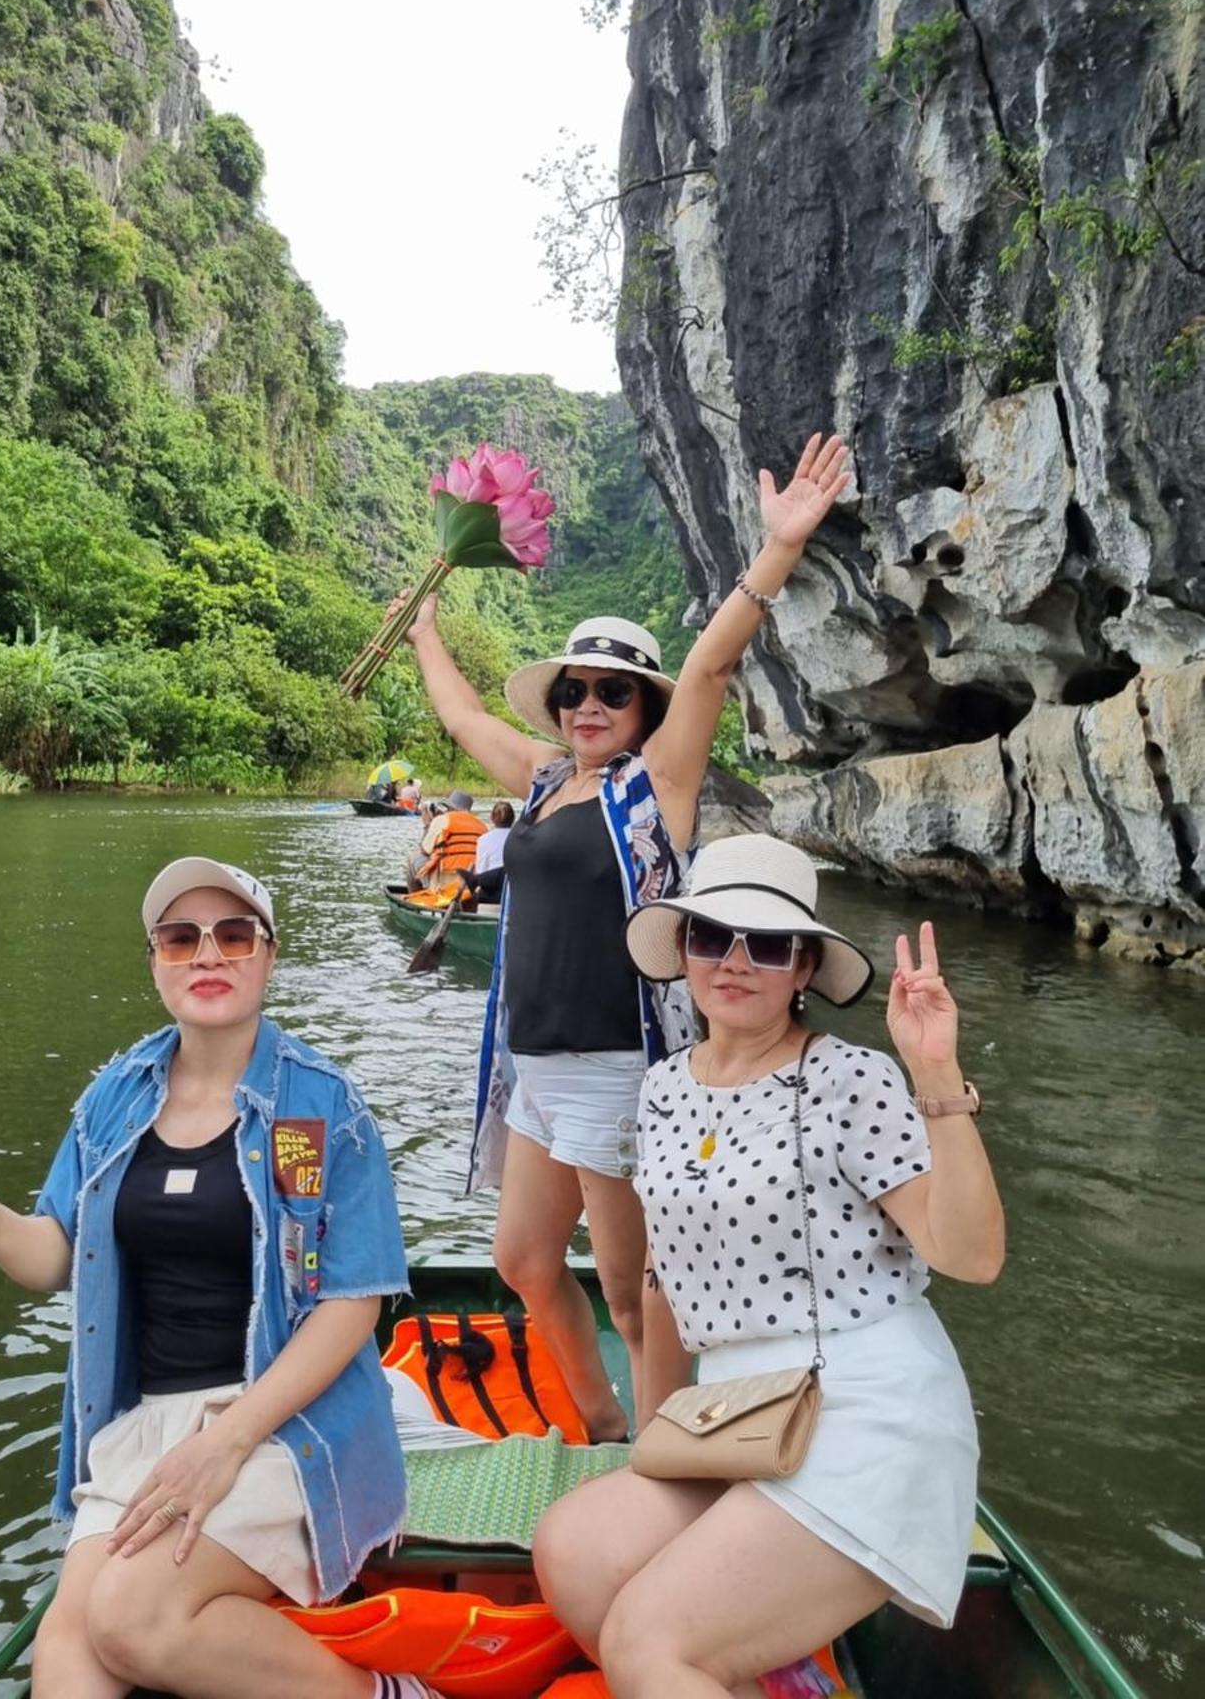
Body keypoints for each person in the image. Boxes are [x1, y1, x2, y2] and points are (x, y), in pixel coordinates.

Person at [396, 432, 851, 1441]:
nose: (589, 703)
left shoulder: (662, 785)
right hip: (531, 1065)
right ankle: (601, 1427)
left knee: (636, 1287)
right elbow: (462, 715)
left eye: (612, 690)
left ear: (643, 706)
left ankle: (661, 1461)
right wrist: (423, 628)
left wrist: (777, 550)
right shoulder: (549, 779)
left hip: (618, 1063)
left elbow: (712, 661)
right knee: (521, 1261)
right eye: (573, 690)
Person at [0, 858, 428, 1699]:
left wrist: (225, 1444)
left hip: (285, 1422)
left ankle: (384, 1695)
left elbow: (350, 1304)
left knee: (132, 1620)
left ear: (268, 955)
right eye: (181, 939)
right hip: (144, 1425)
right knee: (67, 1649)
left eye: (233, 935)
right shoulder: (115, 1097)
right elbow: (54, 1257)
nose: (207, 956)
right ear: (155, 961)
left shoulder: (315, 1111)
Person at [532, 834, 1004, 1698]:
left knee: (649, 1642)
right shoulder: (666, 1087)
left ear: (803, 968)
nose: (736, 961)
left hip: (866, 1407)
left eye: (769, 943)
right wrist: (655, 1433)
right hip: (735, 1412)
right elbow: (662, 1279)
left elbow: (970, 1255)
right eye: (712, 937)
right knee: (574, 1552)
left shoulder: (851, 1079)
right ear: (683, 953)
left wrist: (935, 1073)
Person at [411, 788, 488, 897]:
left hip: (445, 883)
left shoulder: (442, 820)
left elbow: (425, 850)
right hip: (471, 884)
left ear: (451, 807)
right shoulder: (482, 825)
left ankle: (415, 901)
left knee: (413, 857)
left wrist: (427, 825)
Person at [462, 799, 515, 904]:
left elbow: (481, 871)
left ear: (492, 818)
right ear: (513, 819)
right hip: (512, 893)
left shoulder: (483, 839)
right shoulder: (519, 838)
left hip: (489, 895)